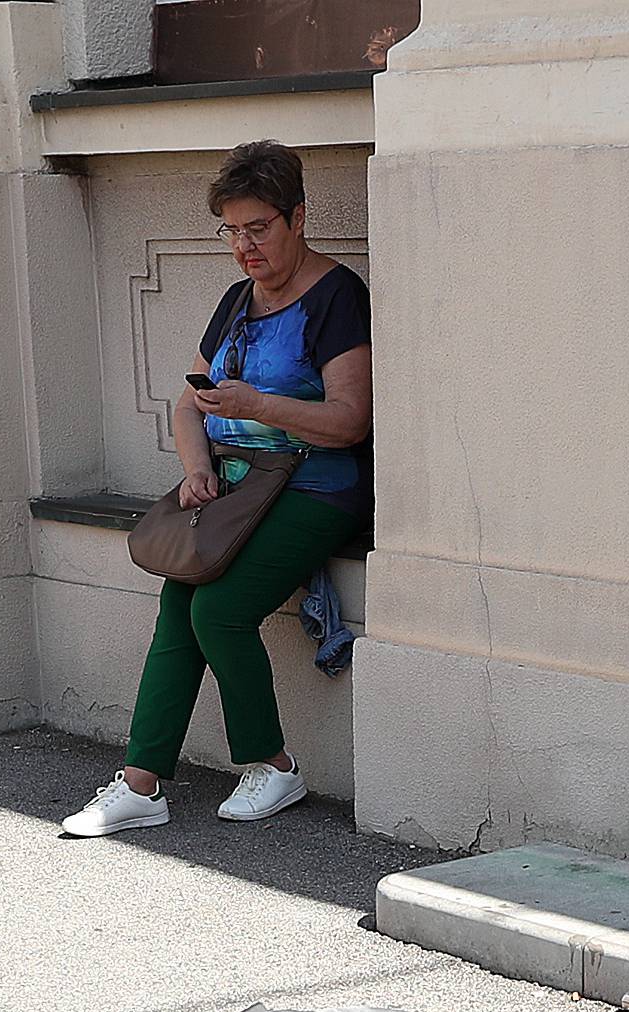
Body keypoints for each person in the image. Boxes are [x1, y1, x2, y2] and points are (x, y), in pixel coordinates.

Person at [61, 139, 370, 839]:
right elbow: (188, 402)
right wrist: (196, 468)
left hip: (319, 483)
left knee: (219, 609)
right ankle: (141, 783)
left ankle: (275, 764)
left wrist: (258, 405)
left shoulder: (336, 296)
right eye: (231, 230)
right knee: (181, 596)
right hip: (238, 485)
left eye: (258, 228)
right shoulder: (237, 300)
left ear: (297, 217)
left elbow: (350, 422)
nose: (244, 247)